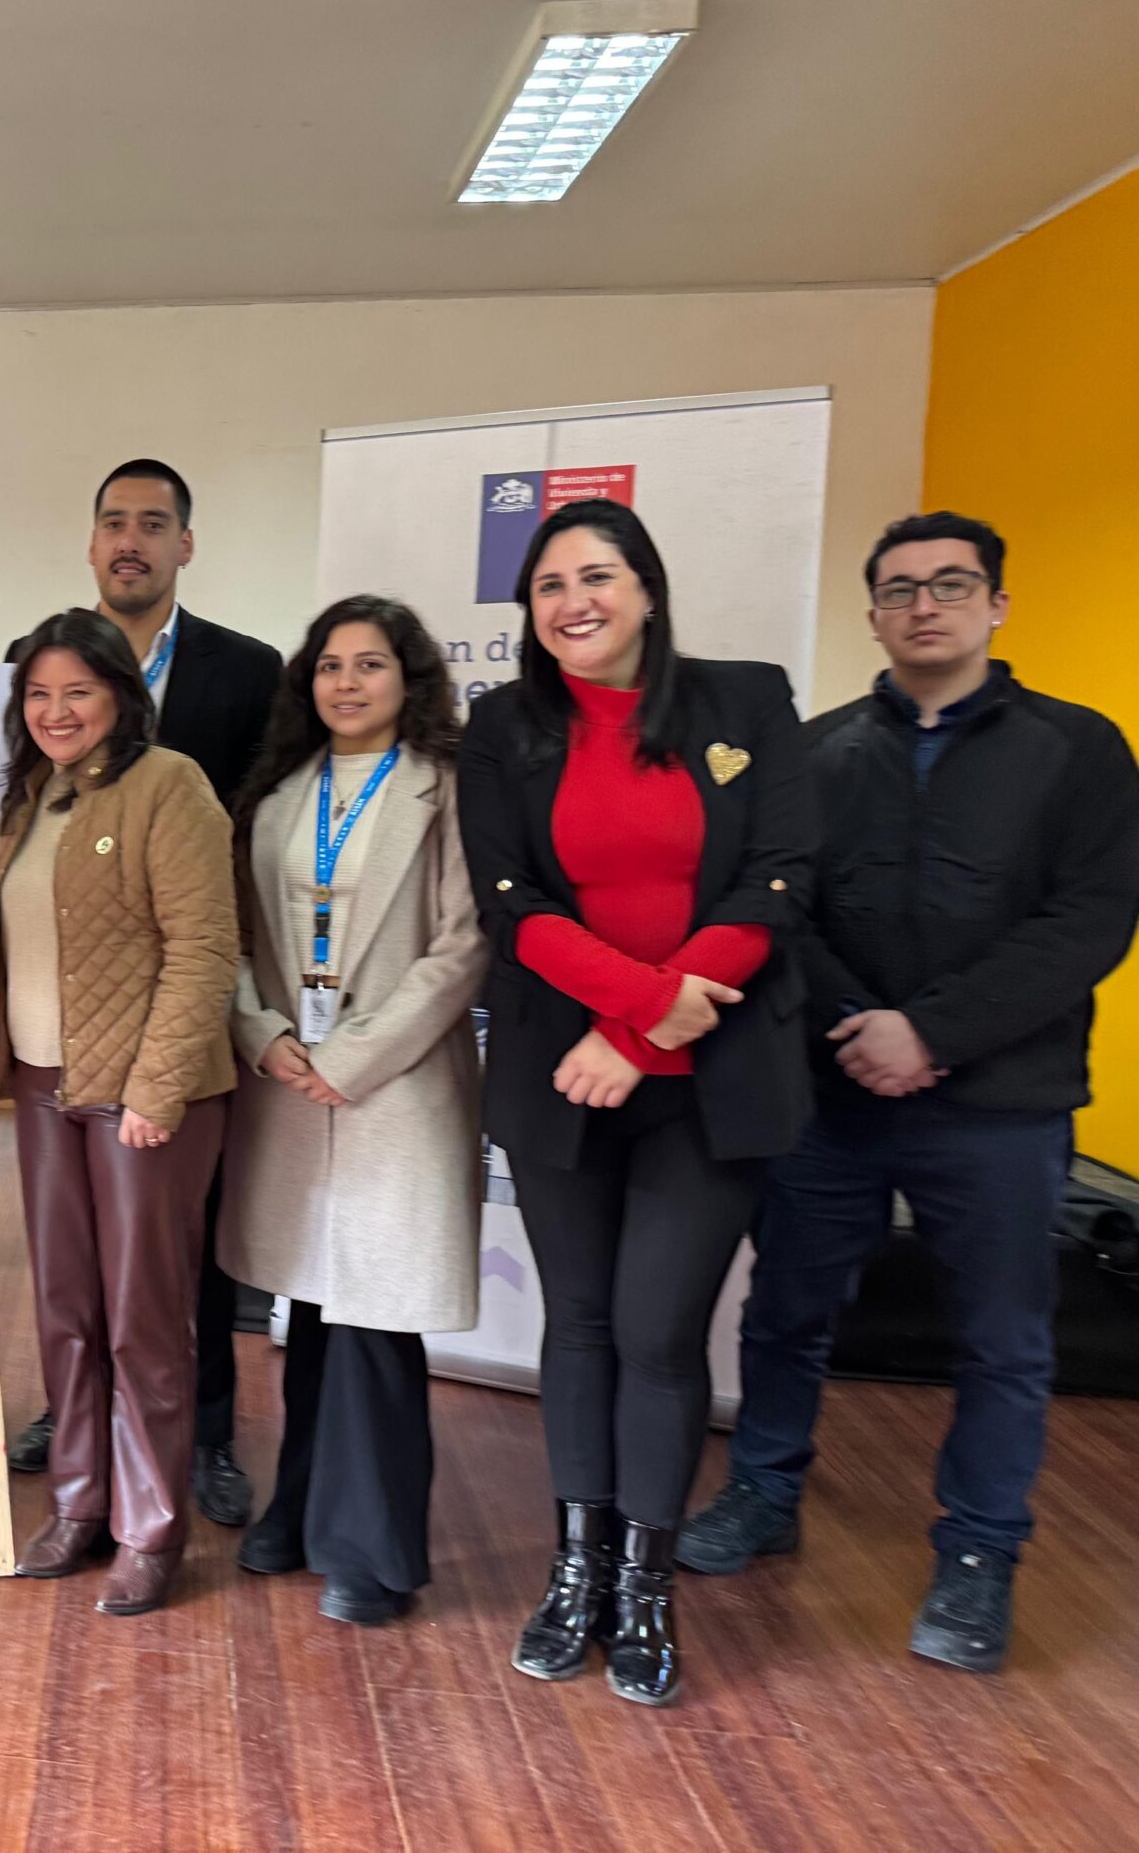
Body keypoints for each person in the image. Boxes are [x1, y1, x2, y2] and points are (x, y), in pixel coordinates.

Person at [678, 512, 1139, 1673]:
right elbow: (779, 908)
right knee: (786, 1309)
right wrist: (861, 1027)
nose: (923, 605)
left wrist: (931, 1032)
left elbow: (1088, 921)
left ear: (996, 604)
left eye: (950, 584)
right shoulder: (817, 751)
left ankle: (979, 1550)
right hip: (833, 1094)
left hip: (1001, 1104)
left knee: (1001, 1340)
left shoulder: (1079, 748)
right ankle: (764, 1490)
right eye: (899, 589)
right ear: (873, 615)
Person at [458, 498, 813, 1706]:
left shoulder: (744, 701)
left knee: (660, 1335)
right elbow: (511, 904)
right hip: (562, 1078)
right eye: (549, 586)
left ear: (647, 589)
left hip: (709, 1081)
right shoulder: (503, 725)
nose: (574, 603)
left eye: (597, 577)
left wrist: (639, 1029)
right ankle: (577, 1574)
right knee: (579, 1326)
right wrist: (637, 1010)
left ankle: (644, 1587)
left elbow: (780, 878)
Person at [6, 458, 284, 1530]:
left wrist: (183, 1051)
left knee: (174, 1267)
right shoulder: (34, 721)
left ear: (184, 544)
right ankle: (82, 1455)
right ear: (91, 543)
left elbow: (239, 854)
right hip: (55, 1051)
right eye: (114, 522)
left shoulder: (243, 674)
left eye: (153, 523)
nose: (131, 539)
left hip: (171, 1017)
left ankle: (197, 1443)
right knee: (77, 1280)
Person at [221, 595, 486, 1624]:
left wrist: (357, 1056)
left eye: (369, 664)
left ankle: (373, 1554)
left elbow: (463, 944)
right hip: (291, 1082)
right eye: (329, 665)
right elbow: (235, 940)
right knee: (312, 1310)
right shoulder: (279, 794)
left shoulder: (446, 788)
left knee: (376, 1318)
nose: (346, 683)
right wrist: (262, 1034)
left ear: (408, 678)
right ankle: (298, 1508)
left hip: (396, 1085)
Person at [0, 608, 236, 1616]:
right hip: (44, 1084)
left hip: (141, 1095)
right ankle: (79, 1504)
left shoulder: (171, 785)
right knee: (66, 1308)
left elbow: (205, 949)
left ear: (121, 695)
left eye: (76, 691)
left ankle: (151, 1527)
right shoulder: (31, 795)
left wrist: (157, 1089)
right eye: (38, 694)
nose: (56, 711)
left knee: (142, 1318)